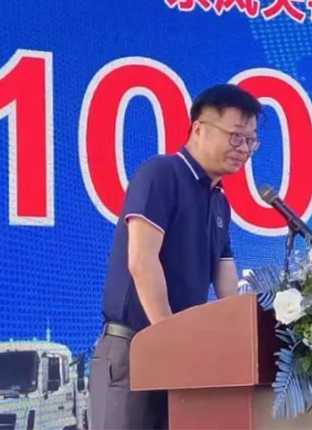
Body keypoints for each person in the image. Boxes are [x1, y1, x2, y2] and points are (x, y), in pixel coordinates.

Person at [89, 84, 262, 430]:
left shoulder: (219, 202)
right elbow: (141, 261)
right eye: (235, 137)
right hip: (133, 351)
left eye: (250, 141)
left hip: (179, 357)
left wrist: (254, 335)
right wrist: (170, 340)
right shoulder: (162, 174)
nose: (243, 149)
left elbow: (227, 286)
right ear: (199, 129)